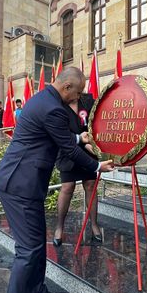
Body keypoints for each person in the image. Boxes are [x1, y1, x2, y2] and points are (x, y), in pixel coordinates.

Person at [0, 67, 114, 293]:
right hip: (19, 184)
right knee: (27, 251)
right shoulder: (53, 108)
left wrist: (82, 139)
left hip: (26, 182)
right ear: (67, 87)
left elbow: (57, 137)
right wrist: (97, 165)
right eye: (77, 92)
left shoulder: (43, 99)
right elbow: (68, 149)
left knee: (36, 243)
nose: (78, 98)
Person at [52, 93, 100, 247]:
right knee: (67, 187)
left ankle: (94, 225)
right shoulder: (58, 104)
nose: (79, 92)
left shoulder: (87, 100)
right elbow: (60, 133)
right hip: (67, 151)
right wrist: (82, 142)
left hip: (89, 149)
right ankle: (59, 227)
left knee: (90, 185)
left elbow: (96, 122)